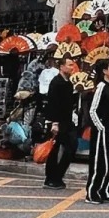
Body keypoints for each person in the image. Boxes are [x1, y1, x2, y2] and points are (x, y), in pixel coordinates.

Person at [42, 56, 80, 189]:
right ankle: (51, 179)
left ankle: (58, 175)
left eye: (72, 65)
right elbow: (53, 104)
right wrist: (54, 123)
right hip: (57, 122)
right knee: (54, 150)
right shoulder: (56, 82)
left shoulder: (68, 83)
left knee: (71, 147)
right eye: (69, 65)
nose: (71, 67)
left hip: (67, 121)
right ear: (62, 66)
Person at [86, 60, 109, 203]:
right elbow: (92, 110)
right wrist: (101, 127)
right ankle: (92, 193)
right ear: (105, 71)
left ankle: (105, 190)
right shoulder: (100, 87)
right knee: (99, 161)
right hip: (102, 130)